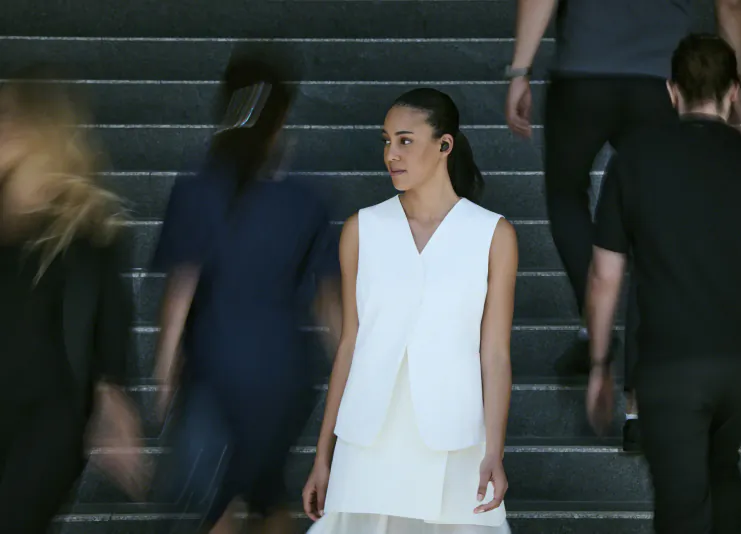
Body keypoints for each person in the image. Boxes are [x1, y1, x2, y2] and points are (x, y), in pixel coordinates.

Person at [505, 0, 741, 451]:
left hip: (582, 71)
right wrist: (735, 91)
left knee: (565, 194)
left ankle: (592, 317)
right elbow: (731, 5)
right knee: (653, 236)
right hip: (662, 80)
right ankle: (638, 408)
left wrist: (520, 69)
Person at [585, 34, 741, 534]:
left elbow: (604, 274)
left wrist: (600, 363)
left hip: (671, 365)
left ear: (672, 91)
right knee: (721, 467)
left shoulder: (634, 160)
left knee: (682, 499)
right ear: (735, 92)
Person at [301, 88, 517, 534]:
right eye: (386, 141)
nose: (391, 155)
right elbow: (349, 344)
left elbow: (495, 354)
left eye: (405, 140)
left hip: (454, 437)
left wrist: (494, 450)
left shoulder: (492, 234)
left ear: (444, 145)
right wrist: (323, 455)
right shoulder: (362, 229)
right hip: (368, 439)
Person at [151, 56, 341, 534]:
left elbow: (181, 290)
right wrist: (351, 376)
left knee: (218, 503)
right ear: (281, 119)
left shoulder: (196, 190)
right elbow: (327, 304)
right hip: (285, 372)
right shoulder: (306, 199)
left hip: (218, 366)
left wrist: (164, 371)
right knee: (265, 491)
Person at [0, 70, 143, 533]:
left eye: (8, 117)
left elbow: (111, 321)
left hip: (50, 419)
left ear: (41, 129)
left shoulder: (88, 223)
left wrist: (112, 396)